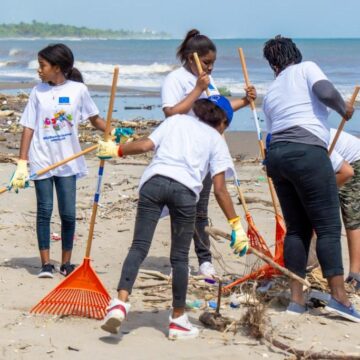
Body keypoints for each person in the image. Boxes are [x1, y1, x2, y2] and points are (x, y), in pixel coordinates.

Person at [97, 96, 250, 339]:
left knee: (138, 246)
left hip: (153, 184)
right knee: (179, 257)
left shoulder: (176, 120)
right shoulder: (216, 140)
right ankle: (178, 320)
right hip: (185, 192)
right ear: (221, 121)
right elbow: (220, 188)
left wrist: (117, 150)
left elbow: (146, 145)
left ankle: (119, 303)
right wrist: (236, 225)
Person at [263, 35, 360, 322]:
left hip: (277, 156)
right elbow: (325, 91)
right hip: (306, 152)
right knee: (328, 226)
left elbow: (273, 133)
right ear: (296, 54)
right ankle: (340, 298)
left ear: (272, 64)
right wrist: (344, 109)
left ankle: (296, 300)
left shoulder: (271, 91)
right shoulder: (306, 68)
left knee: (297, 229)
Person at [161, 29, 256, 277]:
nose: (210, 68)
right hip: (183, 154)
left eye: (212, 63)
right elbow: (171, 113)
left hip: (206, 153)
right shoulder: (176, 79)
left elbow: (220, 108)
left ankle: (204, 260)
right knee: (183, 209)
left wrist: (245, 101)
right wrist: (196, 89)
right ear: (191, 57)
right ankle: (177, 261)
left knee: (200, 211)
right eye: (206, 62)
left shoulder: (208, 81)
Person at [10, 43, 107, 279]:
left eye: (42, 65)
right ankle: (45, 264)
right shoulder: (37, 91)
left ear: (58, 67)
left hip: (67, 160)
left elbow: (95, 119)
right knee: (44, 211)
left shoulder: (79, 90)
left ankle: (66, 263)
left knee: (68, 214)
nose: (39, 70)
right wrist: (23, 163)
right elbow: (28, 127)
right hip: (42, 159)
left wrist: (112, 132)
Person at [329, 128, 360, 290]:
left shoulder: (314, 137)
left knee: (351, 215)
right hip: (334, 163)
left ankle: (356, 275)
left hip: (354, 160)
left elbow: (347, 172)